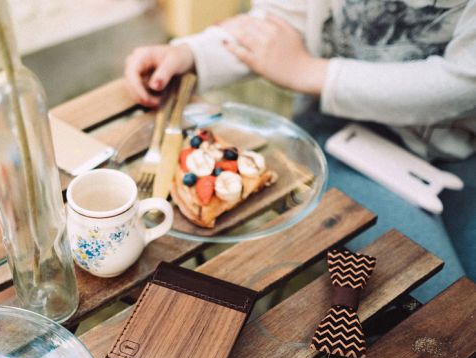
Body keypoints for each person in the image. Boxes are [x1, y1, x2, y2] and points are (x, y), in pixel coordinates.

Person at [124, 0, 476, 302]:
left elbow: (462, 82)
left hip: (464, 149)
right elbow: (278, 25)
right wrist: (191, 54)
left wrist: (311, 73)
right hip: (340, 136)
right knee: (450, 305)